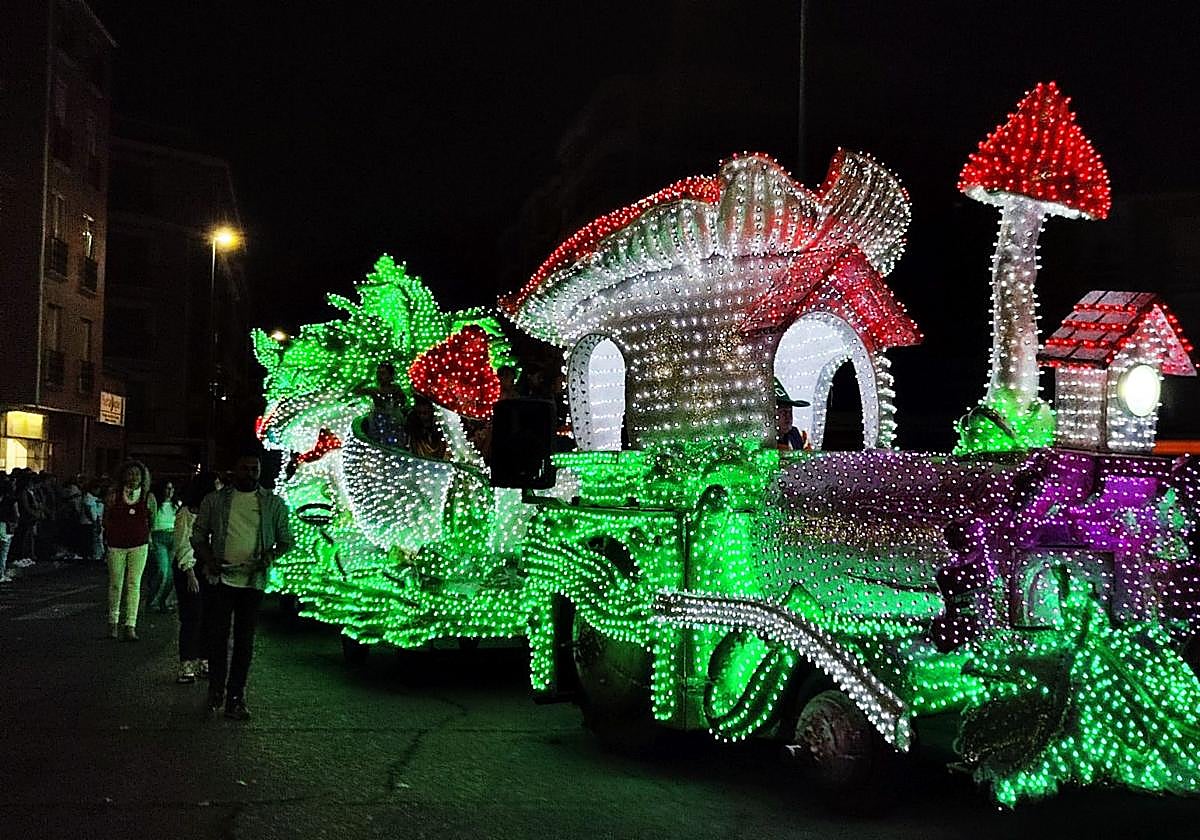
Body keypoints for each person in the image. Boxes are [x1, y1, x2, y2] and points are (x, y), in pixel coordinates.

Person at [191, 451, 293, 720]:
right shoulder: (215, 501)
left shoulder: (273, 503)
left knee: (245, 641)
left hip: (253, 581)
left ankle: (236, 695)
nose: (250, 473)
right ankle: (216, 690)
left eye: (254, 469)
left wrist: (270, 555)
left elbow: (286, 539)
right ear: (235, 470)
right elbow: (198, 536)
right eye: (245, 468)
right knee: (218, 638)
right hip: (222, 578)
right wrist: (209, 559)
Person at [171, 472, 218, 684]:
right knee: (192, 616)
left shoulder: (215, 512)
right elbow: (183, 544)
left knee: (209, 616)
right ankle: (187, 663)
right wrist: (189, 572)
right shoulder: (186, 513)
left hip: (209, 566)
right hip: (190, 567)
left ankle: (204, 659)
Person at [104, 461, 157, 641]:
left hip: (139, 545)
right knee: (116, 584)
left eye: (137, 474)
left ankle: (130, 625)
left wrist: (148, 537)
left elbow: (152, 520)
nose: (134, 477)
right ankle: (113, 623)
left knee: (134, 584)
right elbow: (107, 517)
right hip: (116, 544)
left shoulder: (148, 497)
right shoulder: (114, 495)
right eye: (130, 473)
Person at [145, 479, 179, 612]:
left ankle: (164, 601)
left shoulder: (176, 505)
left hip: (173, 537)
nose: (170, 492)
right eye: (167, 488)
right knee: (162, 570)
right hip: (159, 537)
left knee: (170, 574)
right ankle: (153, 600)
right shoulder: (154, 504)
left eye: (172, 489)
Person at [357, 361, 409, 447]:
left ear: (390, 375)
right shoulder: (374, 390)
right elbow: (356, 391)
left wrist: (397, 403)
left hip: (394, 420)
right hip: (378, 421)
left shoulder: (395, 388)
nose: (380, 376)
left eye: (383, 373)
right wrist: (365, 380)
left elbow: (403, 400)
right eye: (378, 373)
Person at [774, 379, 812, 452]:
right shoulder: (764, 440)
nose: (788, 417)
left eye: (790, 412)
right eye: (783, 412)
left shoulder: (795, 434)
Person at [81, 480, 105, 562]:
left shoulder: (95, 499)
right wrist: (94, 521)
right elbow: (88, 511)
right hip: (88, 523)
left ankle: (96, 555)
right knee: (89, 540)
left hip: (94, 522)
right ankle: (89, 556)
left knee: (96, 540)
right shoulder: (87, 498)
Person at [0, 474, 18, 583]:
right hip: (6, 526)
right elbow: (17, 514)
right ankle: (1, 573)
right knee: (3, 553)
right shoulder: (11, 500)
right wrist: (15, 523)